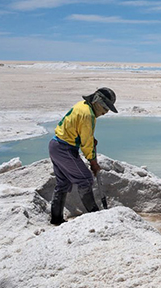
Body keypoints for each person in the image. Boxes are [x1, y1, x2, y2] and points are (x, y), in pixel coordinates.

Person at [49, 87, 118, 225]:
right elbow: (86, 144)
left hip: (55, 145)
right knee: (85, 179)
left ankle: (56, 219)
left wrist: (91, 139)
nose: (105, 112)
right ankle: (95, 216)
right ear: (97, 101)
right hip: (65, 149)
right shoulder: (88, 115)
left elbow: (80, 131)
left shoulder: (83, 106)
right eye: (105, 108)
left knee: (63, 183)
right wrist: (93, 163)